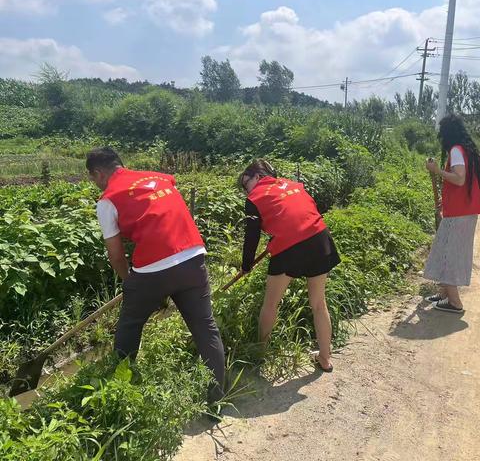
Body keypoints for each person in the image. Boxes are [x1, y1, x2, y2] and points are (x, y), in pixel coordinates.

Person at [86, 147, 225, 401]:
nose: (95, 184)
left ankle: (121, 394)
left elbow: (116, 256)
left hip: (152, 269)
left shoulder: (108, 199)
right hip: (193, 257)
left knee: (130, 324)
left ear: (98, 173)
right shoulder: (161, 178)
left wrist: (130, 283)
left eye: (93, 179)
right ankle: (216, 398)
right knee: (205, 327)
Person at [239, 160, 341, 372]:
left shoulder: (255, 197)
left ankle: (260, 356)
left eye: (245, 183)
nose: (245, 189)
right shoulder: (294, 185)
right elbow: (304, 212)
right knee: (319, 304)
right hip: (319, 238)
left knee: (270, 304)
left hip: (289, 246)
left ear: (257, 176)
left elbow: (252, 235)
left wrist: (246, 265)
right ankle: (325, 358)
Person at [425, 114, 480, 313]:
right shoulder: (466, 150)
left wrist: (436, 170)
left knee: (450, 254)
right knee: (448, 251)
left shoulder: (456, 150)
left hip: (460, 214)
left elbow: (459, 179)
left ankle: (455, 302)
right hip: (463, 210)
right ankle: (444, 293)